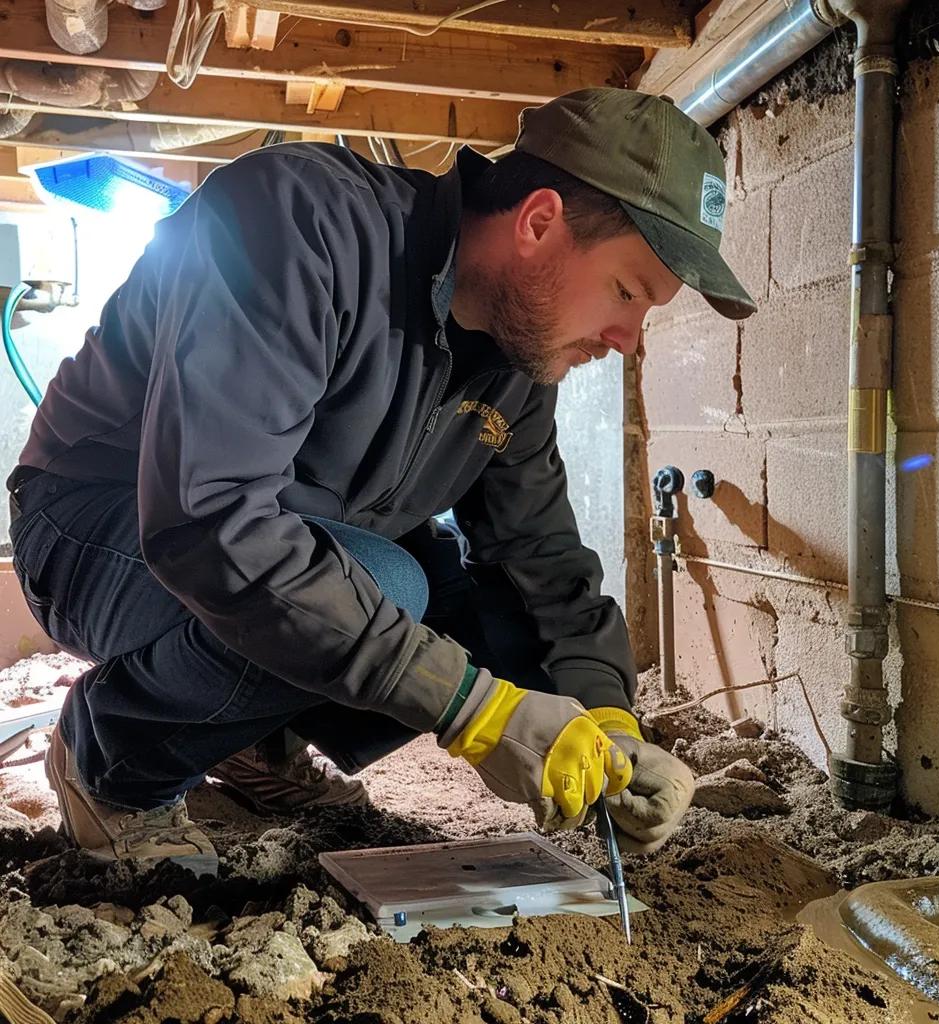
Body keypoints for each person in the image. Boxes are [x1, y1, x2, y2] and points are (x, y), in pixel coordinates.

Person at [7, 88, 755, 877]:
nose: (628, 340)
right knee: (391, 585)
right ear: (539, 223)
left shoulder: (516, 366)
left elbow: (539, 559)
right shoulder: (296, 225)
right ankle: (115, 762)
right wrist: (474, 711)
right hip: (94, 529)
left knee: (460, 602)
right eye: (627, 292)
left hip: (279, 543)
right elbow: (213, 521)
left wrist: (610, 725)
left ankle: (255, 743)